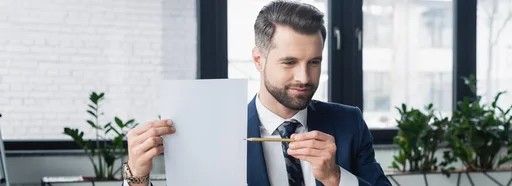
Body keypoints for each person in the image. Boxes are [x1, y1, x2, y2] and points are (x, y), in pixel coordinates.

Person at [122, 1, 392, 186]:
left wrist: (335, 178)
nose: (304, 77)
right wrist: (137, 176)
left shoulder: (348, 122)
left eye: (314, 62)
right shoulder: (216, 131)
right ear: (258, 59)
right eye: (289, 62)